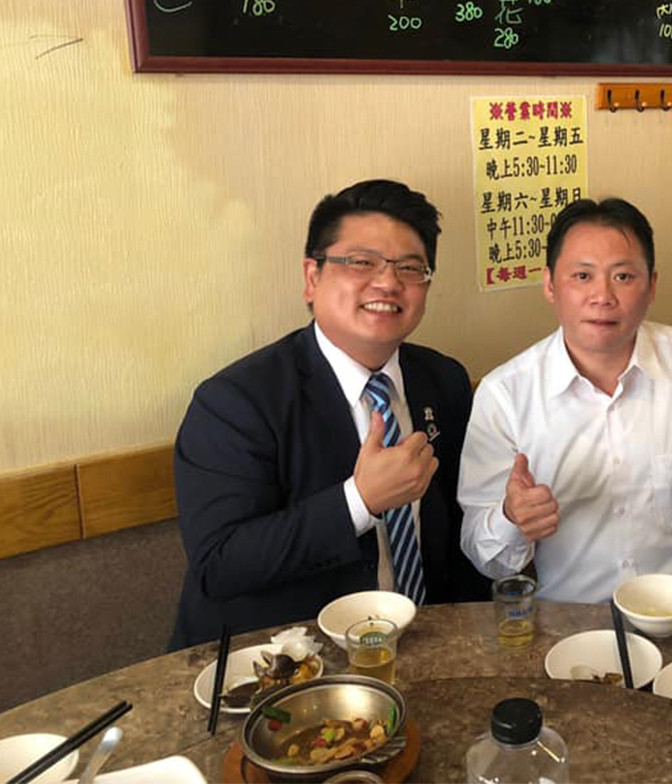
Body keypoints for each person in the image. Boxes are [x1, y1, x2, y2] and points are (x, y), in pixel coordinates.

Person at [170, 180, 485, 649]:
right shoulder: (235, 401)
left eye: (409, 268)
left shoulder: (444, 380)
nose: (388, 282)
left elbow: (457, 531)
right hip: (285, 664)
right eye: (361, 262)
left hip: (423, 647)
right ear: (312, 277)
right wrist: (359, 501)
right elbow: (219, 564)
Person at [458, 198, 672, 609]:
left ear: (652, 285)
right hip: (571, 624)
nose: (602, 296)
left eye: (623, 276)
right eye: (582, 276)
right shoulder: (505, 394)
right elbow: (485, 558)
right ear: (550, 285)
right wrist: (512, 518)